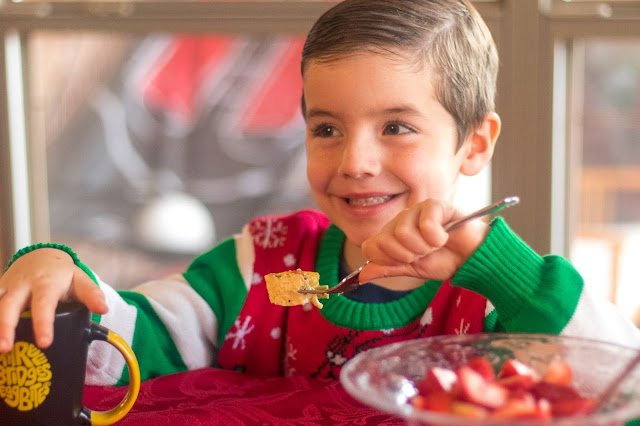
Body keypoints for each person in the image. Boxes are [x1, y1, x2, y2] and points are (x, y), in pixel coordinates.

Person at [1, 0, 638, 384]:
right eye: (326, 128)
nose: (355, 162)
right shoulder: (259, 261)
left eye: (396, 127)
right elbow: (132, 345)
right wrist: (58, 271)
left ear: (474, 144)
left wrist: (509, 272)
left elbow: (621, 385)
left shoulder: (502, 299)